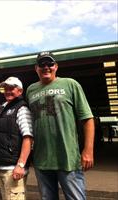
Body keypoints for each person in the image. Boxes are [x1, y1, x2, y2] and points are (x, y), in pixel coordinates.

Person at [26, 51, 95, 200]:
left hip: (68, 158)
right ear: (36, 68)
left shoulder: (70, 84)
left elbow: (87, 118)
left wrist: (88, 150)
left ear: (56, 66)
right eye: (41, 64)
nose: (46, 67)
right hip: (41, 160)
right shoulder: (30, 90)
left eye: (50, 64)